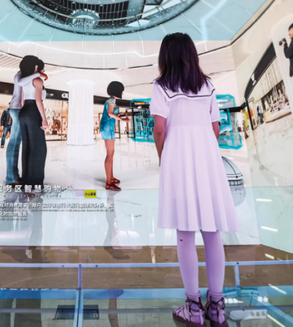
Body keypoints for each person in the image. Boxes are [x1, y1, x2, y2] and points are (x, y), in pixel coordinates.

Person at [150, 33, 238, 326]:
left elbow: (160, 128)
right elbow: (215, 128)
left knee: (185, 232)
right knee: (213, 232)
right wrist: (205, 153)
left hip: (178, 158)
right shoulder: (207, 85)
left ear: (166, 56)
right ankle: (217, 306)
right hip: (208, 159)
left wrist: (163, 158)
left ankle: (193, 308)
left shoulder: (162, 86)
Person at [18, 56, 48, 189]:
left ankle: (26, 179)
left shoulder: (24, 81)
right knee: (39, 148)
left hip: (24, 111)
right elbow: (38, 101)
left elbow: (22, 101)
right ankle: (35, 182)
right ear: (36, 67)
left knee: (27, 147)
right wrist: (44, 119)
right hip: (33, 111)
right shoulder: (37, 80)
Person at [100, 81, 130, 191]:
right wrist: (122, 119)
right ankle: (108, 183)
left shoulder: (112, 100)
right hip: (107, 128)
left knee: (111, 153)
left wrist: (118, 114)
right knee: (110, 154)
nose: (122, 93)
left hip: (108, 127)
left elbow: (111, 113)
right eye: (121, 91)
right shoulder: (111, 100)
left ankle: (111, 178)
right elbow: (110, 113)